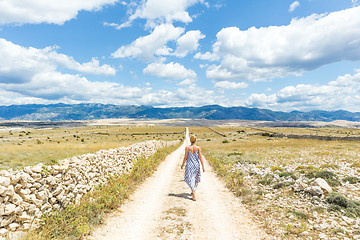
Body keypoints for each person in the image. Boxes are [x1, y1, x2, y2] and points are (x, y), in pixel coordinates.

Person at [181, 135, 205, 201]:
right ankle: (193, 190)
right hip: (196, 165)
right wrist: (203, 166)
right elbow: (200, 157)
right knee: (194, 178)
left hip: (189, 165)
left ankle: (194, 195)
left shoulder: (187, 148)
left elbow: (185, 157)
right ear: (195, 140)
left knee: (190, 178)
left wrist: (182, 165)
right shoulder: (198, 148)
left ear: (190, 140)